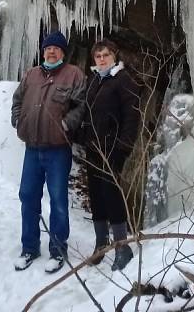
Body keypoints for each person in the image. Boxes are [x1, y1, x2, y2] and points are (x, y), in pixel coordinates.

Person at [11, 30, 86, 273]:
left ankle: (57, 248)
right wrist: (18, 120)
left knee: (58, 200)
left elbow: (81, 105)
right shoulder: (32, 74)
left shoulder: (73, 74)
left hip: (57, 149)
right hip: (32, 148)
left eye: (55, 48)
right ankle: (29, 247)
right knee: (28, 196)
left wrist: (66, 125)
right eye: (47, 48)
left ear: (63, 52)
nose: (50, 52)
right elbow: (18, 99)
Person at [81, 39, 141, 271]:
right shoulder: (95, 79)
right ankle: (101, 244)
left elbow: (132, 117)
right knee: (96, 195)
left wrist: (123, 148)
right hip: (93, 148)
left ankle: (122, 247)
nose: (102, 59)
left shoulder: (123, 80)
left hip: (113, 150)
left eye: (106, 55)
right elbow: (88, 111)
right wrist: (81, 135)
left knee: (112, 196)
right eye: (98, 56)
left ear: (114, 56)